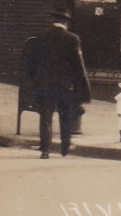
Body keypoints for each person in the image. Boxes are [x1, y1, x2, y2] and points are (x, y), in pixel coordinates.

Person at [25, 9, 91, 159]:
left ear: (52, 21)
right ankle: (64, 148)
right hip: (64, 85)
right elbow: (78, 65)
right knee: (65, 115)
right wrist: (80, 86)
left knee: (45, 117)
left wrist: (35, 80)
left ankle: (45, 150)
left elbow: (31, 63)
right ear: (66, 22)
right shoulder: (72, 39)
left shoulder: (41, 37)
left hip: (44, 84)